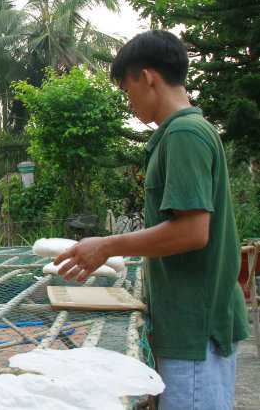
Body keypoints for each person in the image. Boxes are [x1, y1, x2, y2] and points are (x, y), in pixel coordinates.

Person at [53, 30, 249, 409]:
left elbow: (192, 232)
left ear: (147, 77)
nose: (129, 103)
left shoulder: (184, 134)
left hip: (194, 329)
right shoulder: (182, 132)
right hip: (191, 323)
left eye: (127, 90)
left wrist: (107, 245)